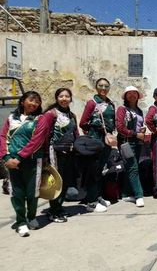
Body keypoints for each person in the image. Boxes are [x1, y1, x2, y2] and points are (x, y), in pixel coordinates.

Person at [0, 91, 47, 237]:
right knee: (17, 192)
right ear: (22, 101)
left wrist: (19, 158)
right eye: (31, 100)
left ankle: (31, 217)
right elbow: (2, 137)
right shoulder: (11, 118)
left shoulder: (40, 119)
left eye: (37, 101)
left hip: (32, 161)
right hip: (12, 162)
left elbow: (37, 141)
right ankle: (20, 221)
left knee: (33, 192)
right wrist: (6, 157)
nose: (33, 103)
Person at [44, 88, 80, 223]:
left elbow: (76, 133)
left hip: (69, 153)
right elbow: (44, 135)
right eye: (61, 96)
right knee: (55, 182)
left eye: (67, 96)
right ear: (56, 98)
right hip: (55, 153)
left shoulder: (72, 115)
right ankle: (53, 210)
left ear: (71, 99)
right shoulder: (51, 114)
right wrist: (46, 154)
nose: (64, 99)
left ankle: (59, 206)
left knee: (65, 181)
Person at [79, 78, 115, 212]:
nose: (103, 88)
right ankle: (91, 202)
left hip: (106, 140)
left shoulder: (110, 103)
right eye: (101, 86)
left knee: (101, 169)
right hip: (95, 139)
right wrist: (95, 128)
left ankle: (98, 196)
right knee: (93, 170)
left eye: (106, 86)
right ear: (96, 87)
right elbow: (83, 123)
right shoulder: (91, 103)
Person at [116, 86, 146, 207]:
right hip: (126, 142)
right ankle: (139, 195)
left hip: (137, 142)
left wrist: (142, 130)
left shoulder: (139, 111)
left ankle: (126, 193)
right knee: (133, 167)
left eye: (135, 93)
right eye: (129, 94)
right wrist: (135, 134)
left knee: (132, 167)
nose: (132, 95)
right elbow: (120, 127)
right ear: (126, 96)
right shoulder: (122, 109)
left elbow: (139, 125)